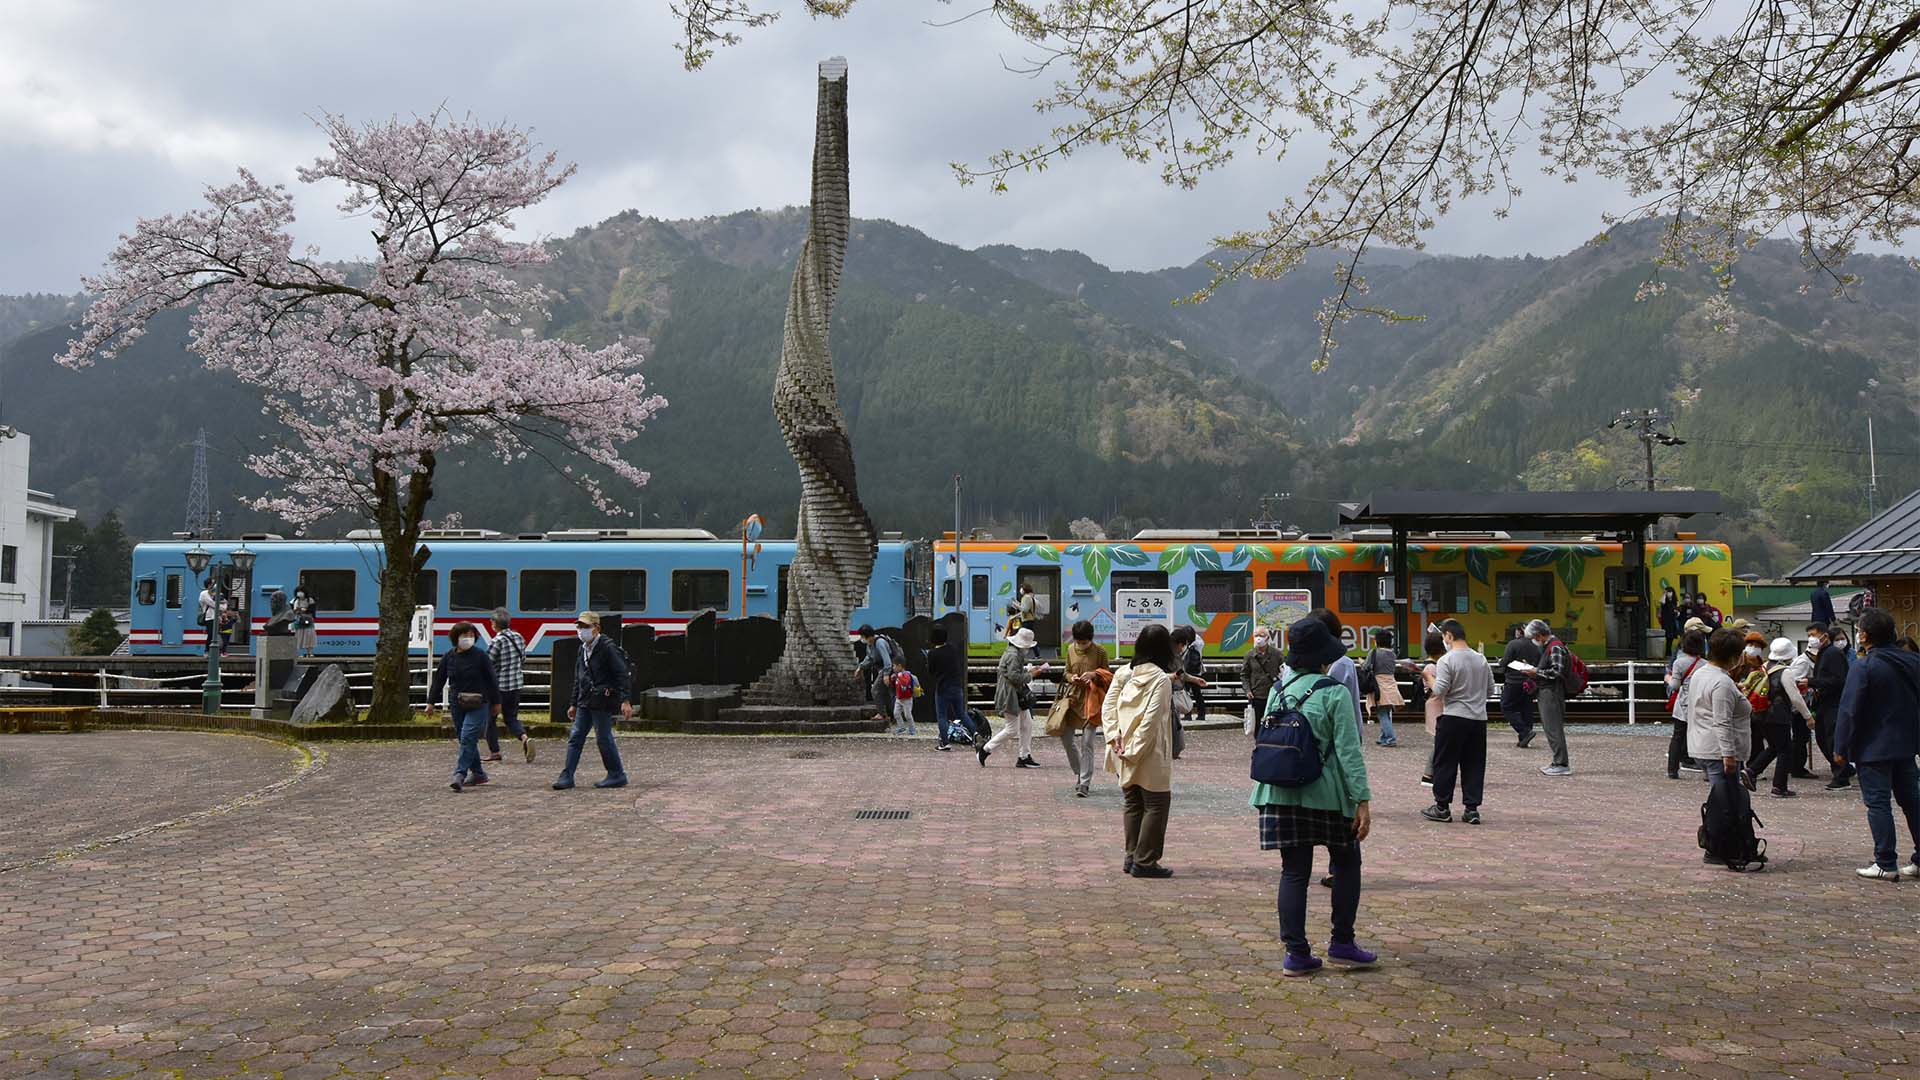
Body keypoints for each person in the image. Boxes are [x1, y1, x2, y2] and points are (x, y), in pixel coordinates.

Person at [1254, 616, 1376, 976]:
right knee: (1347, 862)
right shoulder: (1333, 692)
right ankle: (1342, 944)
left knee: (1293, 871)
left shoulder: (1277, 691)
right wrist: (1362, 800)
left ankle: (1296, 954)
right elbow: (1349, 753)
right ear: (1325, 657)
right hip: (1327, 796)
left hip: (1278, 791)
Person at [1833, 609, 1920, 880]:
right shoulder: (1913, 660)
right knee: (1913, 802)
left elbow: (1850, 709)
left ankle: (1885, 861)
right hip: (1906, 742)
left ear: (1865, 635)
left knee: (1879, 804)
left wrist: (1840, 747)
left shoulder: (1864, 666)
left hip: (1873, 746)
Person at [1102, 622, 1176, 878]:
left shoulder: (1124, 673)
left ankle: (1131, 856)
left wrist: (1114, 739)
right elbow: (1151, 721)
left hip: (1121, 748)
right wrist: (1134, 750)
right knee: (1156, 804)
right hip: (1150, 752)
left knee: (1133, 802)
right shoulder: (1160, 680)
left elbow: (1108, 707)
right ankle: (1145, 861)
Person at [1686, 629, 1753, 854]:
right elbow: (1722, 721)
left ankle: (1720, 844)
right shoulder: (1721, 682)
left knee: (1719, 799)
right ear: (1734, 656)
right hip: (1718, 751)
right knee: (1724, 803)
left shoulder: (1701, 673)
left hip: (1702, 745)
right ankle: (1720, 846)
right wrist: (1729, 755)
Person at [1422, 619, 1493, 825]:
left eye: (1444, 637)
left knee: (1445, 762)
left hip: (1453, 717)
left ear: (1449, 636)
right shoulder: (1481, 659)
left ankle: (1442, 807)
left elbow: (1439, 690)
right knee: (1474, 764)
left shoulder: (1447, 660)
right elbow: (1490, 690)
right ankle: (1471, 810)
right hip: (1478, 719)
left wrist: (1428, 675)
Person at [553, 611, 631, 791]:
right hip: (585, 700)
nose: (581, 631)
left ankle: (617, 774)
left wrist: (625, 700)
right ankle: (567, 776)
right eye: (579, 627)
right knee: (576, 737)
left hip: (602, 700)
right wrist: (573, 703)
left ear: (597, 628)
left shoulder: (607, 647)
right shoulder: (583, 649)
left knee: (603, 738)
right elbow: (578, 678)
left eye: (586, 627)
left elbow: (622, 674)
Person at [427, 620, 500, 793]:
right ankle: (479, 774)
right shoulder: (449, 656)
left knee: (468, 736)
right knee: (465, 739)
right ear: (455, 638)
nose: (468, 638)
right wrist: (431, 702)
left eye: (471, 635)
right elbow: (439, 680)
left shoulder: (481, 656)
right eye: (464, 635)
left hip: (479, 702)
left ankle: (459, 774)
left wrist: (496, 702)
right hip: (457, 702)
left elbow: (491, 680)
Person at [1058, 620, 1113, 797]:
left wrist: (1094, 675)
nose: (1081, 646)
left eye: (1085, 642)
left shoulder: (1100, 652)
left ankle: (1084, 783)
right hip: (1073, 700)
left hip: (1092, 701)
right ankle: (1079, 772)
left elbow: (1108, 676)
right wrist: (1071, 677)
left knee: (1087, 742)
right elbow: (1066, 672)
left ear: (1091, 639)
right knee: (1066, 738)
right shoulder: (1070, 650)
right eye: (1078, 642)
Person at [1744, 637, 1802, 798]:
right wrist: (1807, 716)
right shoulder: (1785, 672)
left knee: (1774, 746)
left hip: (1760, 713)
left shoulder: (1763, 667)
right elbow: (1795, 697)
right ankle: (1779, 786)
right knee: (1785, 749)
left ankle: (1752, 771)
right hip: (1778, 715)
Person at [980, 626, 1044, 767]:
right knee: (1012, 729)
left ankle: (1024, 756)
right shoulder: (1015, 655)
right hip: (1011, 695)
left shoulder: (1012, 652)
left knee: (1027, 724)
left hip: (1014, 694)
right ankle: (985, 749)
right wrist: (1031, 674)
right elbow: (1015, 677)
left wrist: (1027, 670)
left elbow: (1012, 673)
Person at [483, 608, 534, 764]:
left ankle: (495, 752)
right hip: (516, 684)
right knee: (511, 718)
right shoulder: (518, 637)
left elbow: (487, 664)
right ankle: (525, 738)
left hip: (499, 687)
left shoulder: (496, 641)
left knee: (490, 720)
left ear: (494, 623)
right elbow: (523, 657)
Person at [1807, 622, 1855, 790]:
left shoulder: (1833, 654)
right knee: (1822, 738)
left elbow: (1838, 680)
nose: (1811, 639)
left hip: (1834, 703)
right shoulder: (1823, 653)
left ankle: (1841, 776)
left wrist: (1811, 682)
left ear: (1824, 636)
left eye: (1813, 635)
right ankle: (1845, 769)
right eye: (1809, 636)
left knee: (1832, 739)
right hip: (1824, 702)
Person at [1528, 620, 1573, 776]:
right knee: (1552, 728)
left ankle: (1561, 763)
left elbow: (1556, 672)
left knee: (1553, 728)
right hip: (1549, 691)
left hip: (1551, 692)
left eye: (1534, 637)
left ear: (1539, 635)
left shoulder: (1554, 647)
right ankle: (1558, 761)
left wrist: (1536, 672)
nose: (1534, 640)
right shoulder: (1553, 646)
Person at [1666, 626, 1708, 778]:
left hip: (1683, 704)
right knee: (1702, 736)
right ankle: (1707, 771)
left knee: (1678, 736)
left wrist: (1668, 678)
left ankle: (1672, 769)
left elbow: (1675, 685)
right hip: (1701, 703)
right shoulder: (1705, 663)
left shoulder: (1679, 662)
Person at [927, 625, 970, 750]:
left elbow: (931, 671)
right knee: (962, 714)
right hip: (956, 686)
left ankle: (945, 743)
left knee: (942, 716)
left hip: (942, 688)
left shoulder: (932, 653)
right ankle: (976, 735)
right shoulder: (952, 648)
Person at [1499, 625, 1542, 749]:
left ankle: (1524, 732)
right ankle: (1524, 739)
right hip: (1530, 682)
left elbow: (1506, 661)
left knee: (1506, 706)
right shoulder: (1537, 645)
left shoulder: (1513, 644)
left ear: (1519, 631)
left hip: (1514, 681)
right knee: (1526, 709)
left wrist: (1501, 662)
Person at [1359, 629, 1404, 747]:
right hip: (1391, 684)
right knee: (1386, 711)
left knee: (1382, 713)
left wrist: (1361, 661)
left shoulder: (1374, 653)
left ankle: (1390, 738)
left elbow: (1365, 667)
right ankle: (1383, 737)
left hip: (1379, 686)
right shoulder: (1392, 654)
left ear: (1376, 641)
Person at [1169, 625, 1207, 757]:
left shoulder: (1177, 654)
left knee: (1175, 723)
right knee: (1172, 724)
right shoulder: (1170, 657)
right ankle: (1172, 750)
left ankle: (1174, 750)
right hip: (1166, 694)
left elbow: (1180, 674)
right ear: (1180, 644)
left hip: (1173, 693)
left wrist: (1194, 679)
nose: (1183, 648)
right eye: (1183, 645)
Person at [1241, 626, 1285, 731]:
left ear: (1267, 638)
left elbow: (1284, 673)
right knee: (1257, 725)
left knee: (1273, 722)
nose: (1258, 638)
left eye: (1261, 635)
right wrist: (1247, 690)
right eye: (1256, 635)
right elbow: (1244, 675)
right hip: (1256, 695)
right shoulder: (1249, 655)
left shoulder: (1277, 654)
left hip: (1273, 695)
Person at [854, 625, 899, 723]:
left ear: (868, 636)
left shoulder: (879, 643)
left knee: (875, 690)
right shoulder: (870, 644)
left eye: (862, 636)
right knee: (886, 693)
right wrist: (860, 667)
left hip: (887, 669)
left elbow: (887, 660)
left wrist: (886, 674)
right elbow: (869, 658)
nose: (862, 639)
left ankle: (882, 714)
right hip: (883, 669)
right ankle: (892, 715)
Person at [1417, 631, 1445, 787]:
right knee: (1440, 742)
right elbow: (1439, 688)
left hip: (1435, 704)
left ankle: (1433, 774)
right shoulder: (1432, 667)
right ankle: (1428, 774)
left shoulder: (1431, 665)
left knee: (1441, 741)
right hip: (1437, 705)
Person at [888, 660, 920, 736]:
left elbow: (905, 683)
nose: (893, 668)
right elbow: (894, 685)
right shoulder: (896, 675)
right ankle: (901, 727)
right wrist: (892, 679)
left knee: (907, 715)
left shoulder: (906, 675)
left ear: (899, 666)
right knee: (896, 713)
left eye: (894, 666)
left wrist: (899, 676)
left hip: (907, 699)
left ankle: (912, 728)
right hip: (898, 698)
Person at [290, 586, 317, 657]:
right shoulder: (294, 600)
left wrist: (304, 610)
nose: (299, 593)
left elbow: (312, 610)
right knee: (298, 637)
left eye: (301, 591)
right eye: (298, 592)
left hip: (308, 620)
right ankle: (298, 653)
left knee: (309, 636)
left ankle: (310, 652)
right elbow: (291, 609)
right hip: (299, 621)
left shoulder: (310, 600)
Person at [196, 582, 219, 654]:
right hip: (209, 617)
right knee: (211, 634)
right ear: (209, 585)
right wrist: (221, 606)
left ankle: (213, 651)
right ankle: (207, 650)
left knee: (214, 634)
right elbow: (212, 604)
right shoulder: (204, 593)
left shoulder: (214, 593)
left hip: (216, 617)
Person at [1659, 586, 1681, 657]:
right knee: (1667, 636)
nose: (1669, 593)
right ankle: (1667, 652)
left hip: (1673, 620)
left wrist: (1677, 612)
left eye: (1670, 592)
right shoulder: (1664, 601)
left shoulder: (1675, 601)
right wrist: (1664, 594)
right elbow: (1662, 602)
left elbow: (1678, 609)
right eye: (1667, 592)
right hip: (1666, 621)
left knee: (1671, 637)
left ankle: (1669, 652)